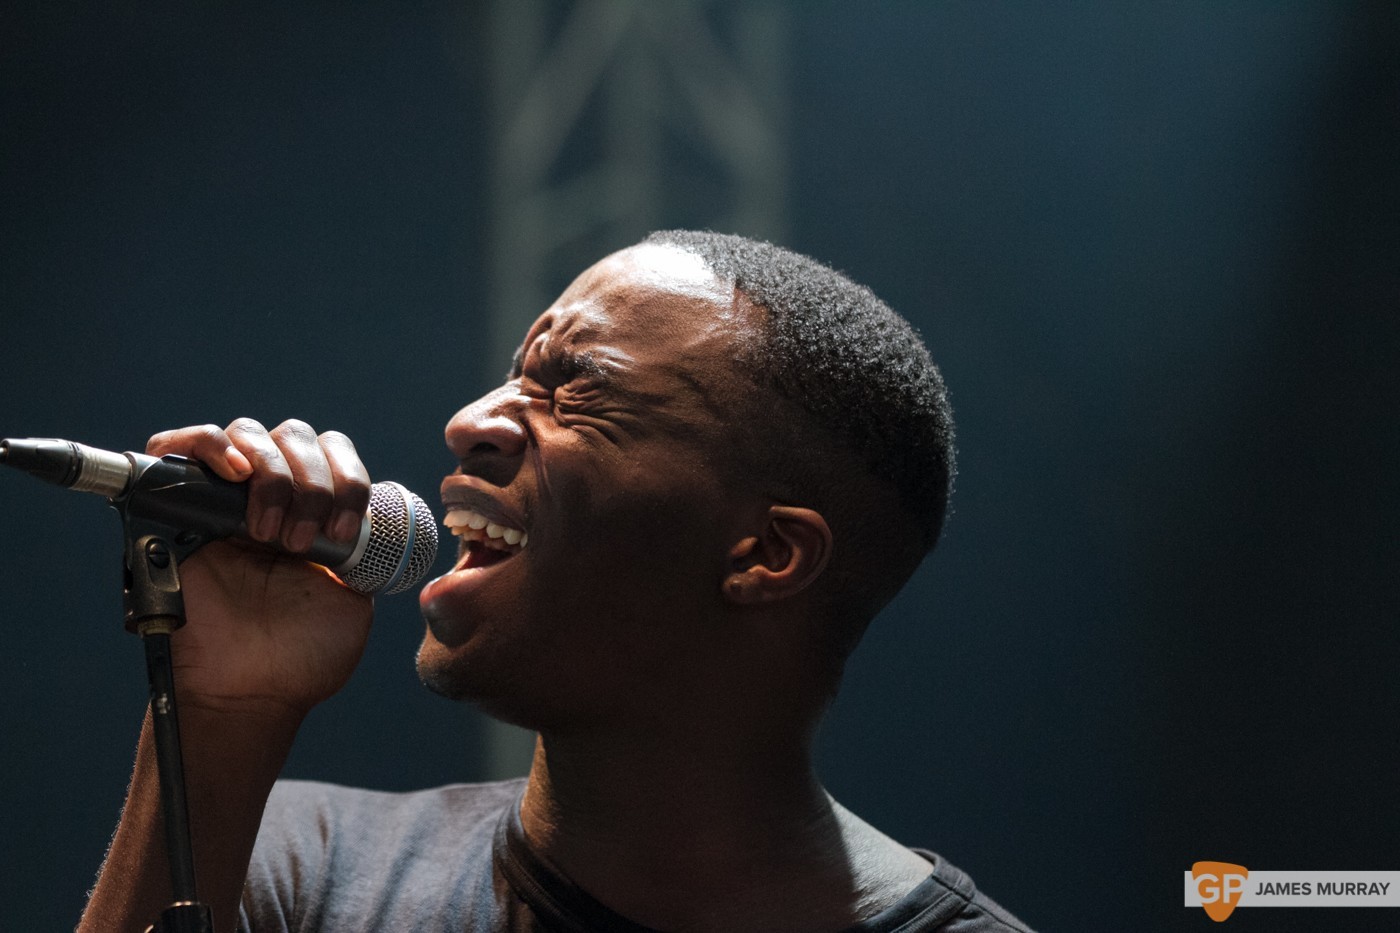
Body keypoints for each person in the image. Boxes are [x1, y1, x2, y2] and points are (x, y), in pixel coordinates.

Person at [78, 231, 1034, 932]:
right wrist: (225, 714)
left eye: (575, 388)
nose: (469, 422)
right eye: (511, 376)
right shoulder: (303, 865)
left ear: (766, 555)